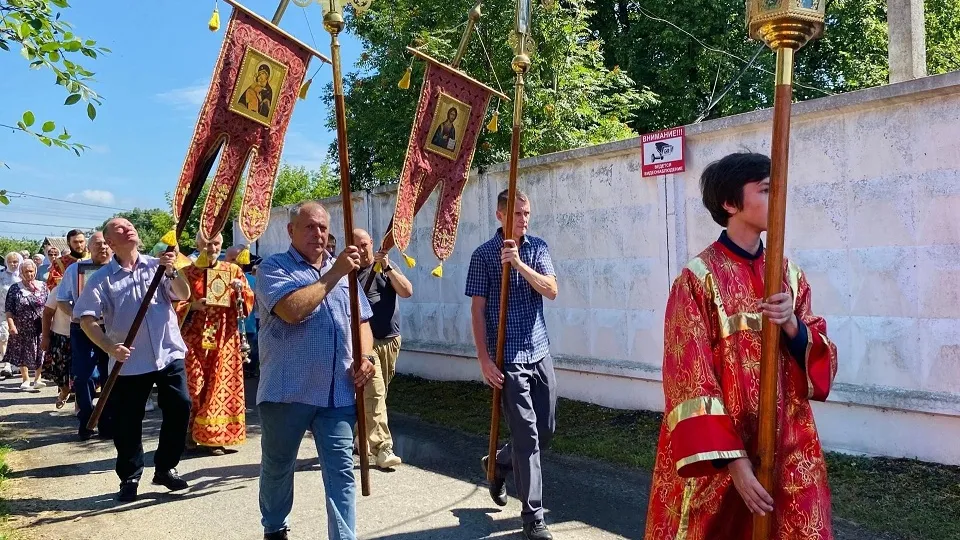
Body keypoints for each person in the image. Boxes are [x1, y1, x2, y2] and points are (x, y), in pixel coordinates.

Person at [643, 153, 838, 540]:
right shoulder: (697, 279)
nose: (777, 199)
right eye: (766, 190)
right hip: (720, 453)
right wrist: (735, 463)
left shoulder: (788, 274)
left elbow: (820, 358)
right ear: (730, 204)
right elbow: (689, 379)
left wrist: (793, 325)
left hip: (788, 445)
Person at [256, 201, 376, 540]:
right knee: (278, 468)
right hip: (287, 391)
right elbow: (292, 310)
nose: (318, 233)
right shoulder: (273, 267)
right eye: (309, 226)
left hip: (337, 391)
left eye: (323, 227)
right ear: (291, 231)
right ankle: (275, 527)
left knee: (341, 473)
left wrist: (366, 357)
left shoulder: (343, 272)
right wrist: (335, 273)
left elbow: (362, 321)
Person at [74, 218, 193, 503]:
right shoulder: (101, 279)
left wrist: (171, 270)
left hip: (168, 354)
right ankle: (130, 476)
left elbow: (184, 294)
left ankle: (165, 467)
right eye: (119, 228)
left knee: (180, 407)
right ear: (110, 243)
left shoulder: (157, 266)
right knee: (128, 421)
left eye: (130, 225)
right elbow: (87, 320)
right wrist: (109, 346)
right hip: (129, 361)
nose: (128, 228)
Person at [466, 189, 559, 540]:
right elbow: (477, 310)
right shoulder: (484, 255)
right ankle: (533, 516)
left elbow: (551, 290)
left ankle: (498, 463)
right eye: (518, 214)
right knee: (527, 437)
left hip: (540, 352)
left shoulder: (537, 248)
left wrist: (519, 264)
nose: (524, 220)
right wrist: (484, 359)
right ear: (500, 215)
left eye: (527, 213)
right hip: (508, 360)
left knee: (545, 431)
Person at [180, 232, 254, 455]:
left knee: (218, 388)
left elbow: (248, 301)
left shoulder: (233, 271)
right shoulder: (186, 273)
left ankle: (213, 438)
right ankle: (188, 434)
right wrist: (191, 307)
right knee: (194, 387)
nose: (211, 248)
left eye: (216, 244)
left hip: (224, 339)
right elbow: (172, 303)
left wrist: (238, 293)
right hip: (193, 340)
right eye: (207, 243)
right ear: (197, 244)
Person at [354, 228, 413, 469]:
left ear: (372, 244)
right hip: (366, 344)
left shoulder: (385, 268)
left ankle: (360, 437)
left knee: (378, 395)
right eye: (356, 246)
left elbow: (407, 291)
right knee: (375, 393)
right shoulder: (350, 274)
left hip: (390, 340)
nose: (361, 250)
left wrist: (387, 267)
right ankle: (383, 448)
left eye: (364, 245)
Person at [58, 232, 113, 440]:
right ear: (89, 247)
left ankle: (107, 422)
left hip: (112, 328)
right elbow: (62, 300)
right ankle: (87, 420)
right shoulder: (76, 270)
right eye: (98, 244)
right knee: (84, 377)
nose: (104, 248)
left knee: (111, 376)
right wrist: (77, 314)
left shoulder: (118, 269)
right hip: (82, 330)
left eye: (107, 244)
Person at [5, 259, 48, 391]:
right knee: (23, 352)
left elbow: (49, 306)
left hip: (40, 326)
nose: (29, 274)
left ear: (35, 271)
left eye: (32, 271)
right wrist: (11, 325)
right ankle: (25, 379)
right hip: (21, 326)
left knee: (40, 352)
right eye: (26, 271)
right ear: (21, 273)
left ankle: (38, 378)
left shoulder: (43, 286)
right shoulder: (15, 288)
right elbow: (9, 309)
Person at [41, 279, 73, 408]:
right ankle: (64, 391)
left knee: (82, 375)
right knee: (60, 373)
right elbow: (47, 314)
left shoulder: (89, 288)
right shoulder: (59, 290)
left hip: (84, 337)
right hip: (61, 337)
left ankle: (80, 405)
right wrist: (45, 337)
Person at [0, 252, 22, 379]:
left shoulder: (23, 275)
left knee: (18, 338)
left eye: (15, 262)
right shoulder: (1, 276)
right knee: (4, 337)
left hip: (20, 312)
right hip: (2, 311)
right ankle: (6, 364)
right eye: (10, 262)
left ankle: (16, 364)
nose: (13, 264)